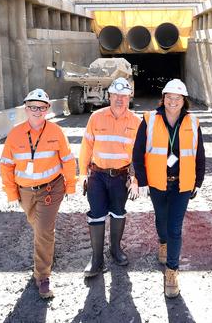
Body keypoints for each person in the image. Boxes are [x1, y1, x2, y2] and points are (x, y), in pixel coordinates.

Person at [0, 88, 76, 299]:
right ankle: (47, 250)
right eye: (33, 107)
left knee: (42, 230)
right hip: (25, 191)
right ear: (25, 108)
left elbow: (68, 160)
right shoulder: (15, 134)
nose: (37, 111)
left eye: (42, 108)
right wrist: (12, 193)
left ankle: (42, 276)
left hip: (51, 189)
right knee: (39, 227)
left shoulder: (56, 132)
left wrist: (70, 185)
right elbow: (6, 165)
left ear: (47, 110)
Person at [132, 79, 206, 298]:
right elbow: (138, 153)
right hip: (157, 182)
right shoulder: (149, 119)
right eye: (169, 97)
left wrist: (198, 181)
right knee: (161, 220)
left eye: (178, 98)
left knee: (175, 227)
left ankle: (172, 271)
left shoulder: (193, 122)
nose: (173, 102)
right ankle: (162, 243)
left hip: (182, 184)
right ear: (163, 99)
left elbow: (199, 154)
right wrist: (142, 181)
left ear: (184, 101)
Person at [78, 77, 141, 277]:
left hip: (120, 177)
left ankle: (115, 249)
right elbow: (86, 147)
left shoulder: (136, 122)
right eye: (116, 95)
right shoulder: (96, 117)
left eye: (124, 96)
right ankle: (96, 259)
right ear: (109, 96)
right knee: (96, 213)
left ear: (129, 97)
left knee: (118, 212)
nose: (119, 100)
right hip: (97, 175)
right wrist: (82, 174)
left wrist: (135, 179)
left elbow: (139, 156)